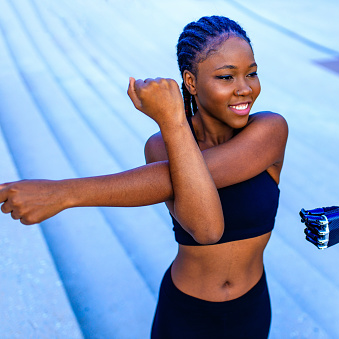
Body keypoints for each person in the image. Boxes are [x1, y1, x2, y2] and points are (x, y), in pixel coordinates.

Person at [0, 16, 288, 339]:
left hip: (251, 310)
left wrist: (63, 194)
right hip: (185, 315)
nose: (245, 88)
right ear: (190, 82)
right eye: (226, 76)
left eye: (252, 73)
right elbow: (206, 228)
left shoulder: (270, 131)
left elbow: (176, 179)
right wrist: (175, 122)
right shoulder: (161, 145)